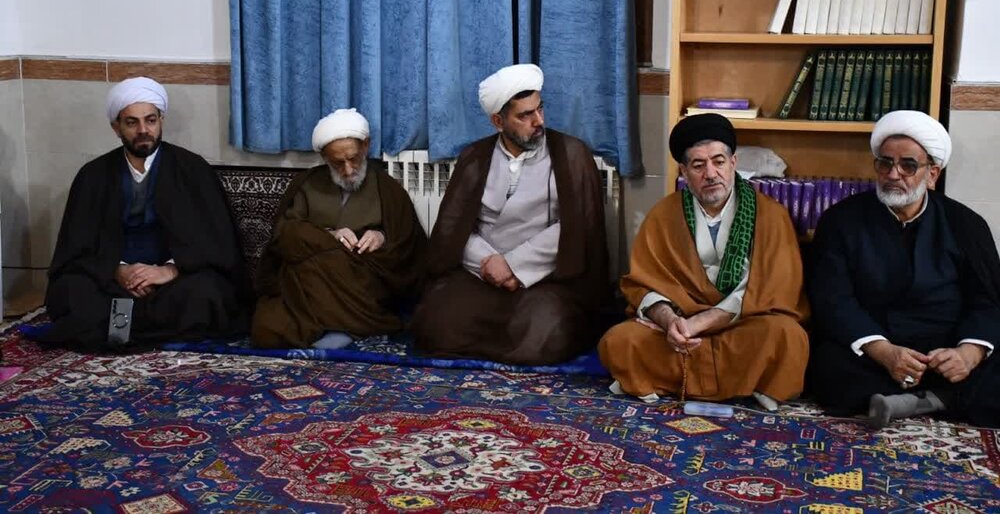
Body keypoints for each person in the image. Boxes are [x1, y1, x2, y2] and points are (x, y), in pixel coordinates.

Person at [599, 114, 809, 410]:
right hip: (679, 331)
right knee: (620, 340)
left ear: (733, 162)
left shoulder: (771, 216)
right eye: (698, 165)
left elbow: (776, 290)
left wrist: (700, 322)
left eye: (718, 161)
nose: (711, 173)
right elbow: (643, 284)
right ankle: (743, 383)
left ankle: (680, 380)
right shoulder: (663, 215)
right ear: (684, 172)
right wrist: (671, 322)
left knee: (787, 336)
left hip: (744, 324)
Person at [807, 110, 1000, 428]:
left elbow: (988, 300)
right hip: (877, 346)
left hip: (946, 346)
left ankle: (920, 400)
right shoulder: (841, 220)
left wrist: (968, 354)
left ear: (932, 174)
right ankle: (942, 399)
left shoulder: (966, 224)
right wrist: (884, 352)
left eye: (908, 165)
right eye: (885, 163)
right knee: (829, 367)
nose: (894, 174)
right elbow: (833, 298)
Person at [410, 63, 609, 365]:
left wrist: (514, 266)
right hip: (482, 273)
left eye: (540, 109)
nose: (538, 121)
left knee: (546, 333)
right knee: (435, 322)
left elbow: (576, 227)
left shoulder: (571, 154)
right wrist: (490, 265)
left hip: (545, 278)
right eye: (525, 115)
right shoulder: (475, 157)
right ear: (498, 121)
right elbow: (455, 228)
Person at [42, 77, 249, 349]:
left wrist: (170, 270)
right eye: (132, 122)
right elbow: (75, 249)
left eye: (150, 120)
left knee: (206, 292)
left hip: (173, 281)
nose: (143, 130)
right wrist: (118, 270)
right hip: (112, 280)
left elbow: (217, 245)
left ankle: (119, 328)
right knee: (71, 290)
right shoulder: (93, 175)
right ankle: (147, 328)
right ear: (116, 127)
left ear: (161, 120)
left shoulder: (192, 169)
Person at [251, 108, 427, 349]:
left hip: (359, 280)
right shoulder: (308, 184)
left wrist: (382, 237)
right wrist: (328, 236)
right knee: (267, 330)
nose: (348, 169)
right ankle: (342, 324)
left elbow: (409, 246)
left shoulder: (388, 189)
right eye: (337, 163)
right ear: (324, 158)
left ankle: (340, 325)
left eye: (353, 158)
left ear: (366, 146)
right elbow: (285, 234)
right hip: (306, 281)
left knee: (331, 264)